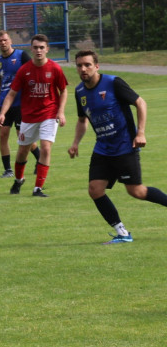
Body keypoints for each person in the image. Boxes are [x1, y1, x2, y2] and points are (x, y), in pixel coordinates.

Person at [68, 50, 167, 244]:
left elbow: (140, 103)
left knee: (136, 191)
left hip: (124, 146)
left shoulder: (113, 83)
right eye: (79, 65)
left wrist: (140, 132)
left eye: (87, 64)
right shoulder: (80, 92)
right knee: (94, 189)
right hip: (102, 149)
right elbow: (82, 120)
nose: (83, 69)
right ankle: (122, 232)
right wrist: (75, 143)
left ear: (97, 66)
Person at [0, 33, 68, 197]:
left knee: (45, 147)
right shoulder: (25, 70)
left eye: (42, 47)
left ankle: (38, 188)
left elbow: (63, 90)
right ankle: (19, 179)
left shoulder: (55, 68)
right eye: (35, 47)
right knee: (23, 151)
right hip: (28, 116)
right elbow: (11, 94)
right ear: (31, 48)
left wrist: (61, 111)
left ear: (47, 49)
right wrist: (2, 113)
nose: (38, 50)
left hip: (49, 114)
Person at [0, 30, 40, 177]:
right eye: (0, 41)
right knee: (3, 135)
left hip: (21, 103)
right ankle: (8, 170)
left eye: (5, 40)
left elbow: (33, 74)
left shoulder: (21, 56)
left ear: (10, 41)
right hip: (4, 105)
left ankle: (40, 160)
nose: (3, 43)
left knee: (23, 137)